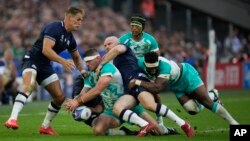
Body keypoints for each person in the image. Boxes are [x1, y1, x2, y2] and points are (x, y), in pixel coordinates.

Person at [4, 6, 86, 135]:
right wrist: (63, 61)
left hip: (45, 66)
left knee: (59, 97)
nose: (80, 22)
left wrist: (83, 72)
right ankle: (12, 119)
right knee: (29, 86)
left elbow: (76, 57)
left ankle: (45, 126)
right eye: (78, 19)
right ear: (69, 18)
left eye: (82, 20)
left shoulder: (70, 38)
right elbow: (46, 50)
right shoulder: (54, 28)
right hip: (32, 60)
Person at [96, 36, 194, 137]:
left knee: (149, 105)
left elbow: (117, 49)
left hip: (137, 79)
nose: (107, 46)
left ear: (118, 42)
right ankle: (145, 126)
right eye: (105, 45)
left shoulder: (123, 48)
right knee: (117, 108)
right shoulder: (113, 60)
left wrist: (101, 64)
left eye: (109, 43)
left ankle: (183, 124)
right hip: (129, 88)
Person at [65, 49, 162, 136]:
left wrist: (78, 101)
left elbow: (98, 89)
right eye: (86, 62)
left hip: (128, 106)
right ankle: (125, 132)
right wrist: (74, 101)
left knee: (158, 132)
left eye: (89, 61)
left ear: (98, 58)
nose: (87, 64)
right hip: (110, 111)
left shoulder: (108, 67)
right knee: (98, 131)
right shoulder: (89, 75)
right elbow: (84, 92)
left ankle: (166, 129)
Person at [130, 51, 239, 125]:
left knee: (207, 103)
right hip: (176, 86)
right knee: (192, 110)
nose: (153, 70)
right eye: (151, 68)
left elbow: (157, 88)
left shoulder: (164, 67)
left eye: (155, 67)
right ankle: (212, 95)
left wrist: (138, 82)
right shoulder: (140, 63)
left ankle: (234, 124)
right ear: (144, 64)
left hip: (187, 76)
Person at [119, 14, 167, 130]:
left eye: (137, 26)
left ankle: (159, 118)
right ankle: (131, 118)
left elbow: (156, 57)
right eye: (132, 26)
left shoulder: (150, 40)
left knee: (154, 93)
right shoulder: (124, 39)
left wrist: (153, 74)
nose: (134, 28)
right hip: (129, 71)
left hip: (145, 70)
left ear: (142, 27)